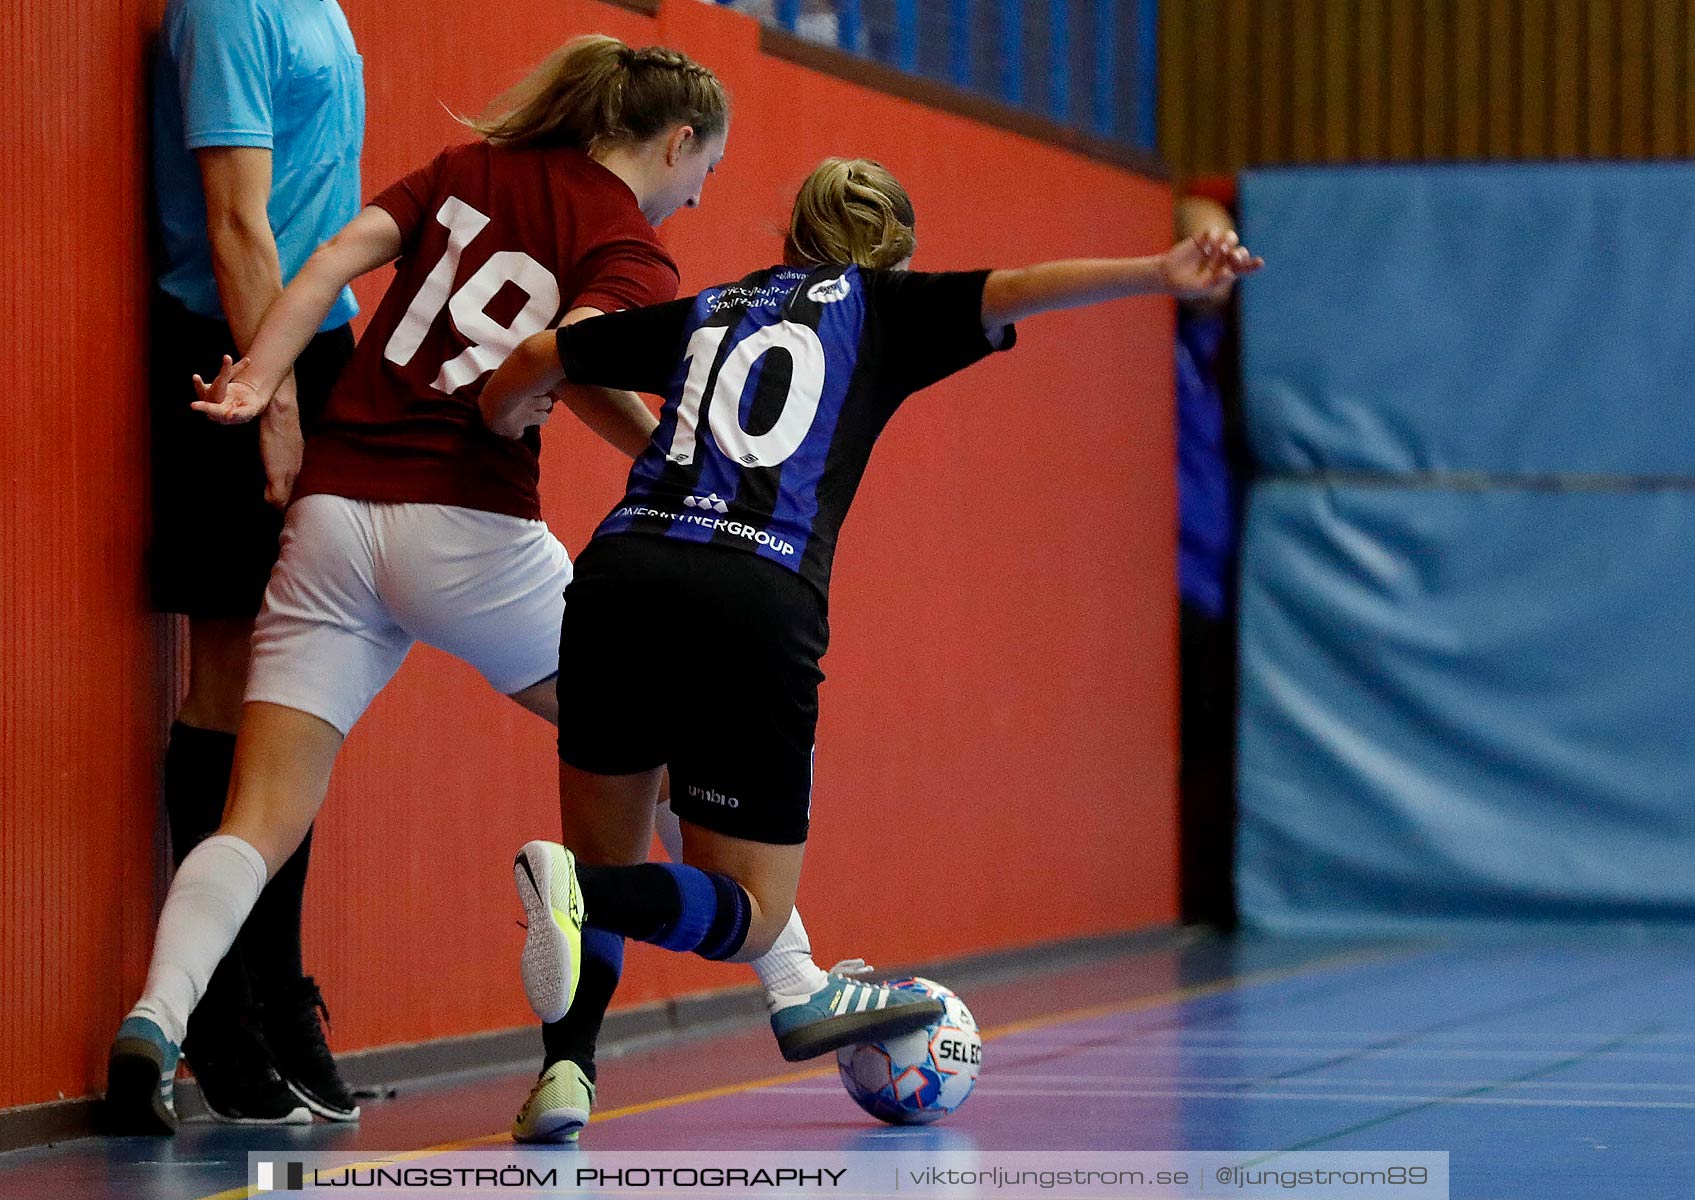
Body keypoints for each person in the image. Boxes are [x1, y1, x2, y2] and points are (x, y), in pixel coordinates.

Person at [479, 157, 1265, 1142]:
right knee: (751, 913)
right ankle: (582, 895)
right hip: (755, 596)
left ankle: (565, 1076)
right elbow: (1020, 289)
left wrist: (506, 418)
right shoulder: (881, 309)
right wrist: (1160, 270)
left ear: (790, 233)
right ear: (897, 252)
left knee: (608, 850)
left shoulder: (716, 307)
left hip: (620, 576)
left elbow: (540, 356)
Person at [103, 34, 731, 1137]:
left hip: (333, 520)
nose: (694, 195)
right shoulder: (629, 248)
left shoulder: (466, 168)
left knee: (253, 825)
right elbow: (568, 359)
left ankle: (154, 1022)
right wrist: (672, 461)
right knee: (673, 751)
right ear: (678, 141)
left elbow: (336, 258)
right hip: (471, 532)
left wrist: (258, 378)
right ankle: (793, 978)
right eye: (704, 174)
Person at [148, 0, 365, 1125]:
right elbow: (236, 220)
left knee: (300, 698)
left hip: (315, 344)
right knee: (233, 682)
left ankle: (279, 1002)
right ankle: (220, 1020)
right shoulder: (230, 8)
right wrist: (267, 395)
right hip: (236, 353)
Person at [1174, 191, 1246, 932]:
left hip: (1217, 585)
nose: (1219, 266)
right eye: (1205, 249)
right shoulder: (1153, 345)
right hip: (1175, 585)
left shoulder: (1214, 354)